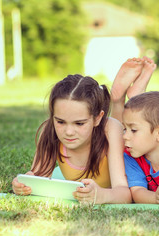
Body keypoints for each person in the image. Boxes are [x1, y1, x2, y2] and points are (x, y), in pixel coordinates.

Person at [12, 74, 132, 204]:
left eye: (79, 123)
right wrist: (23, 184)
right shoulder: (50, 130)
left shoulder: (111, 129)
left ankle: (122, 99)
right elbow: (36, 177)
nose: (68, 132)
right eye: (60, 122)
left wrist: (102, 195)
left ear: (98, 118)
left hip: (132, 149)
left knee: (132, 129)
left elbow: (124, 193)